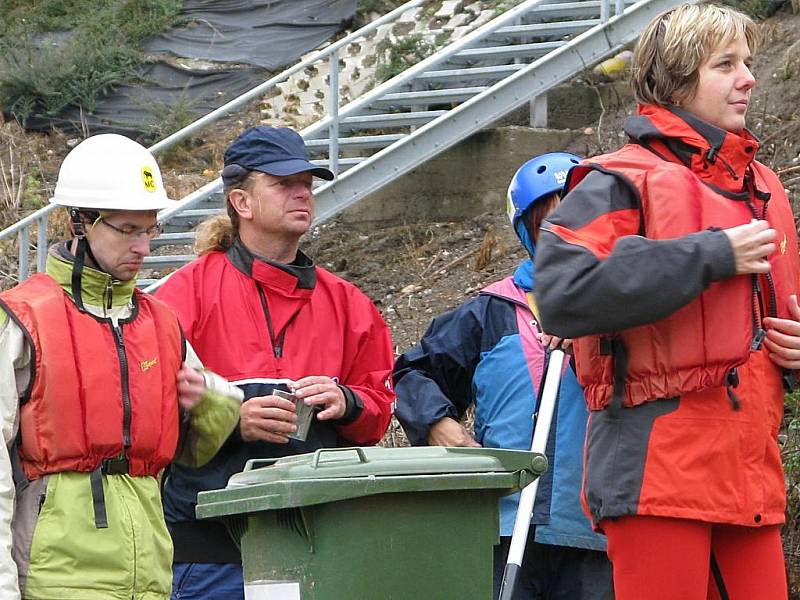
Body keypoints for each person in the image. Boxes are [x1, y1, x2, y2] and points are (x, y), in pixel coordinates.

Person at [534, 4, 799, 599]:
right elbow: (560, 294)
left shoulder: (761, 188)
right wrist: (708, 255)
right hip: (658, 475)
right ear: (677, 78)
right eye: (725, 64)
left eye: (749, 63)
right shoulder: (618, 179)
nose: (748, 78)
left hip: (751, 476)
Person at [155, 125, 396, 600]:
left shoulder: (349, 303)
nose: (302, 193)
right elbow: (146, 411)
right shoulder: (185, 294)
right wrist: (232, 419)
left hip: (320, 543)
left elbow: (378, 412)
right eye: (284, 183)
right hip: (208, 552)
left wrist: (346, 401)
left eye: (306, 182)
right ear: (242, 203)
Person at [0, 134, 241, 600]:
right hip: (56, 581)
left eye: (149, 229)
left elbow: (198, 448)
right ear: (80, 223)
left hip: (149, 575)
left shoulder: (162, 324)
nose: (144, 247)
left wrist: (210, 402)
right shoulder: (22, 320)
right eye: (128, 230)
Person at [394, 153, 613, 600]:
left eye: (579, 220)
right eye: (550, 225)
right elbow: (414, 374)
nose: (567, 237)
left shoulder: (630, 305)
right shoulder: (489, 313)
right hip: (505, 528)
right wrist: (438, 422)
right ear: (529, 233)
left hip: (599, 531)